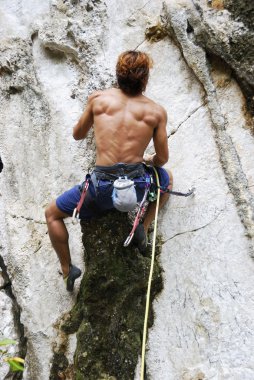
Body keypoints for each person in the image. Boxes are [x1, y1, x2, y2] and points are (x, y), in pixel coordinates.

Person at [45, 50, 173, 291]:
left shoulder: (98, 100)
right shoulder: (156, 112)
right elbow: (162, 159)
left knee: (51, 214)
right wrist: (146, 158)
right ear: (145, 79)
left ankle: (67, 269)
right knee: (166, 180)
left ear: (118, 75)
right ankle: (141, 228)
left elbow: (77, 134)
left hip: (99, 190)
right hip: (135, 187)